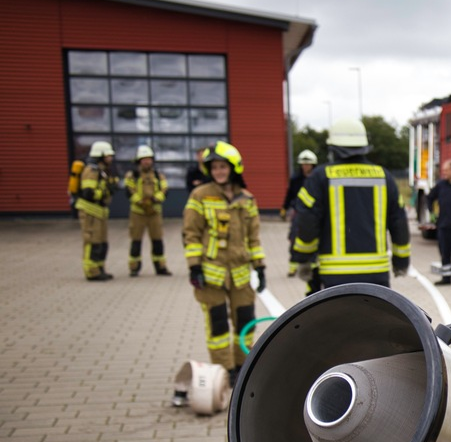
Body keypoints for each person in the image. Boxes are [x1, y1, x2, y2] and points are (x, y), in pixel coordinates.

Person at [291, 118, 409, 293]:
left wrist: (303, 259)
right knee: (376, 320)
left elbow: (307, 222)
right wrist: (401, 261)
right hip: (377, 274)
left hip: (334, 274)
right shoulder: (384, 177)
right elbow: (399, 222)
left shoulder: (320, 177)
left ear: (333, 148)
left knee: (338, 320)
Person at [182, 141, 266, 382]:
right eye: (214, 167)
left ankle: (242, 369)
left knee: (246, 324)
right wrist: (194, 266)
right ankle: (225, 370)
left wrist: (260, 267)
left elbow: (254, 238)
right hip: (211, 275)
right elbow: (191, 234)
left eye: (222, 166)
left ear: (233, 168)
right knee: (218, 327)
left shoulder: (247, 199)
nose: (218, 171)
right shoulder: (200, 195)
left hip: (241, 276)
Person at [123, 144, 171, 276]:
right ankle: (134, 267)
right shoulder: (132, 175)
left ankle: (160, 267)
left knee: (157, 240)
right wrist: (140, 201)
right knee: (136, 240)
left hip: (154, 212)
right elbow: (129, 191)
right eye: (144, 159)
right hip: (138, 212)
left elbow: (165, 190)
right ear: (139, 160)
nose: (147, 161)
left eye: (149, 159)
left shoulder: (158, 175)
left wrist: (155, 199)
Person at [76, 140, 119, 281]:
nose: (110, 158)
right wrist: (105, 192)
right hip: (90, 212)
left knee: (101, 242)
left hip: (99, 212)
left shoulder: (102, 170)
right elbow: (89, 192)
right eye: (108, 156)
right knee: (92, 241)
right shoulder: (91, 170)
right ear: (100, 155)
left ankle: (100, 268)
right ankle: (91, 271)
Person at [282, 149, 318, 277]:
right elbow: (290, 194)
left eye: (308, 164)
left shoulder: (318, 179)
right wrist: (284, 208)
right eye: (303, 164)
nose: (305, 167)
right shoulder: (296, 179)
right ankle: (293, 265)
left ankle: (313, 266)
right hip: (298, 212)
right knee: (294, 238)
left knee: (314, 239)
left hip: (315, 214)